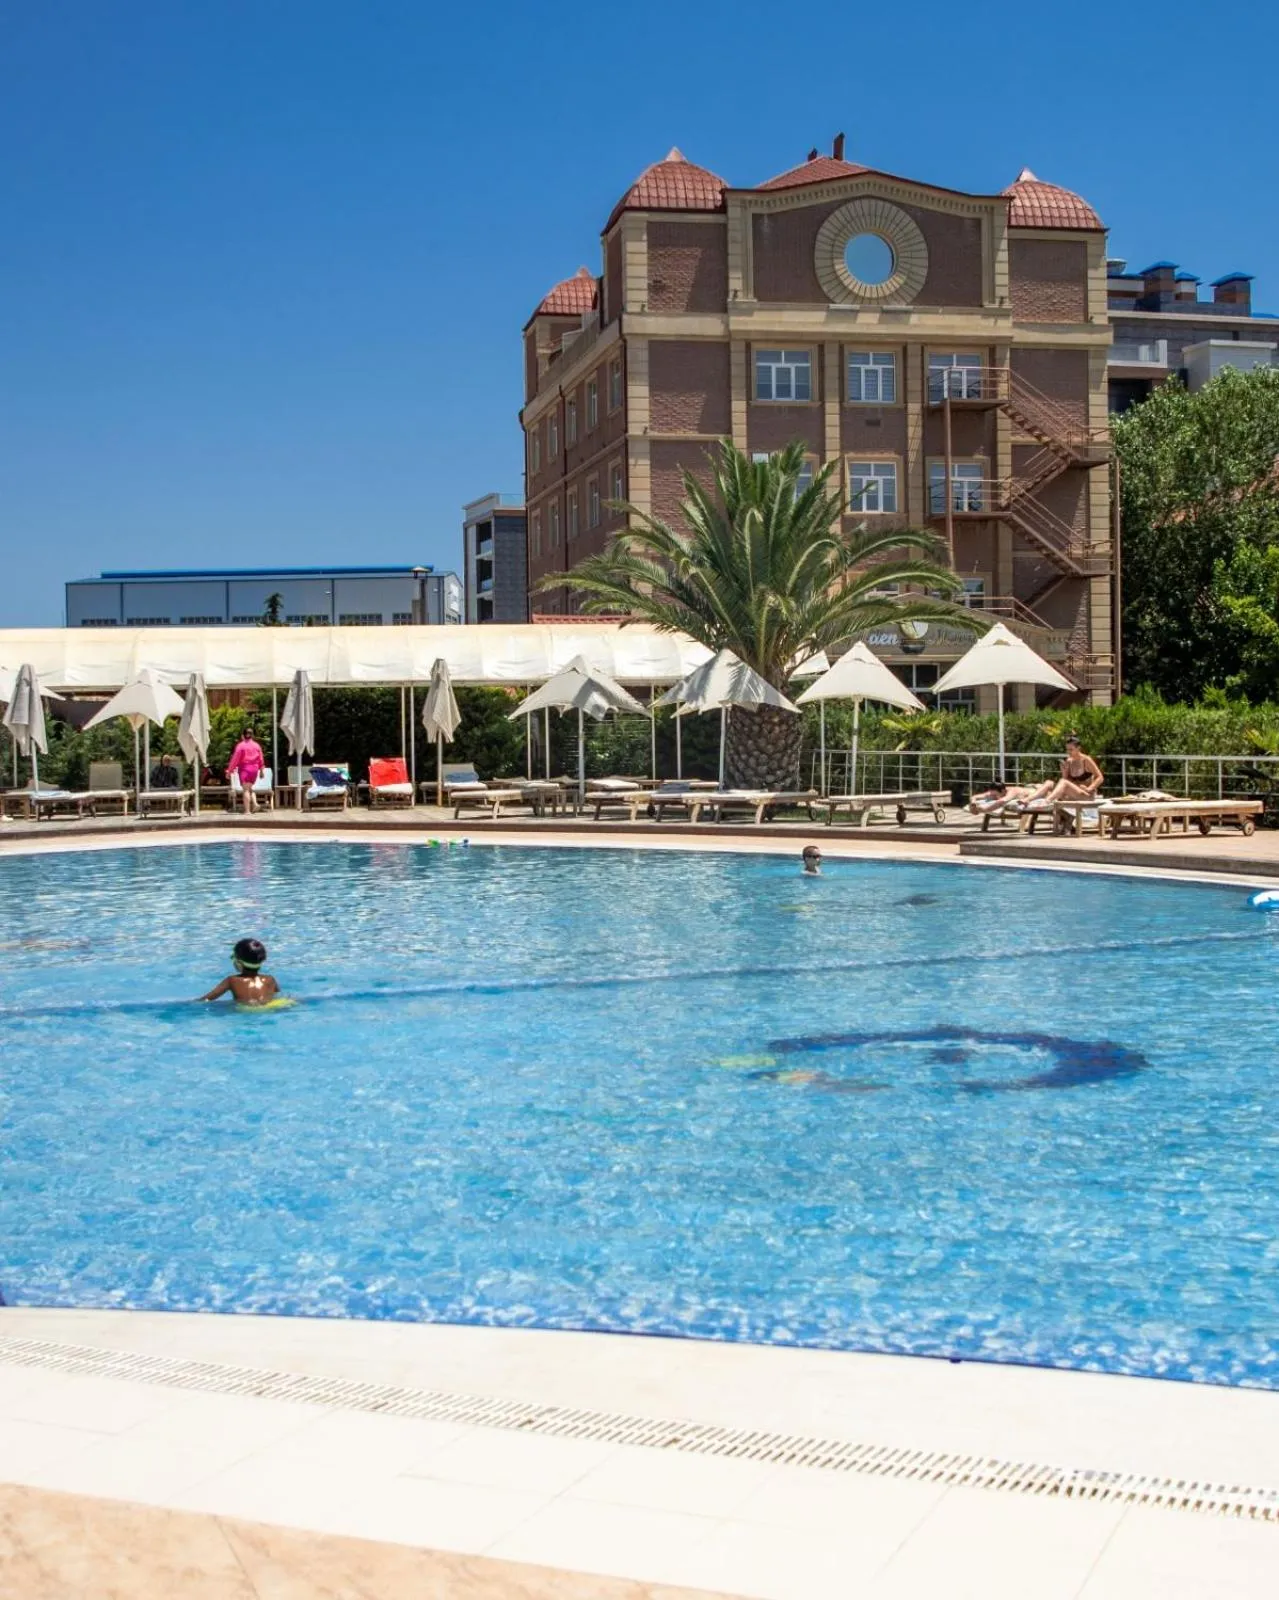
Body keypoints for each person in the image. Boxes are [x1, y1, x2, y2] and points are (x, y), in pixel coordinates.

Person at [198, 938, 281, 1006]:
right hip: (269, 1009)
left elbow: (207, 999)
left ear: (239, 963)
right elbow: (277, 998)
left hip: (245, 1012)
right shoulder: (270, 979)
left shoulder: (231, 980)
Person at [227, 725, 266, 814]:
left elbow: (235, 759)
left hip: (245, 768)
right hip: (255, 769)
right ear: (252, 735)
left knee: (245, 789)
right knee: (249, 787)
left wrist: (229, 771)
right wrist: (261, 770)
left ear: (243, 735)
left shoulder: (241, 746)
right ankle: (255, 803)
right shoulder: (257, 746)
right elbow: (261, 759)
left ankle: (247, 811)